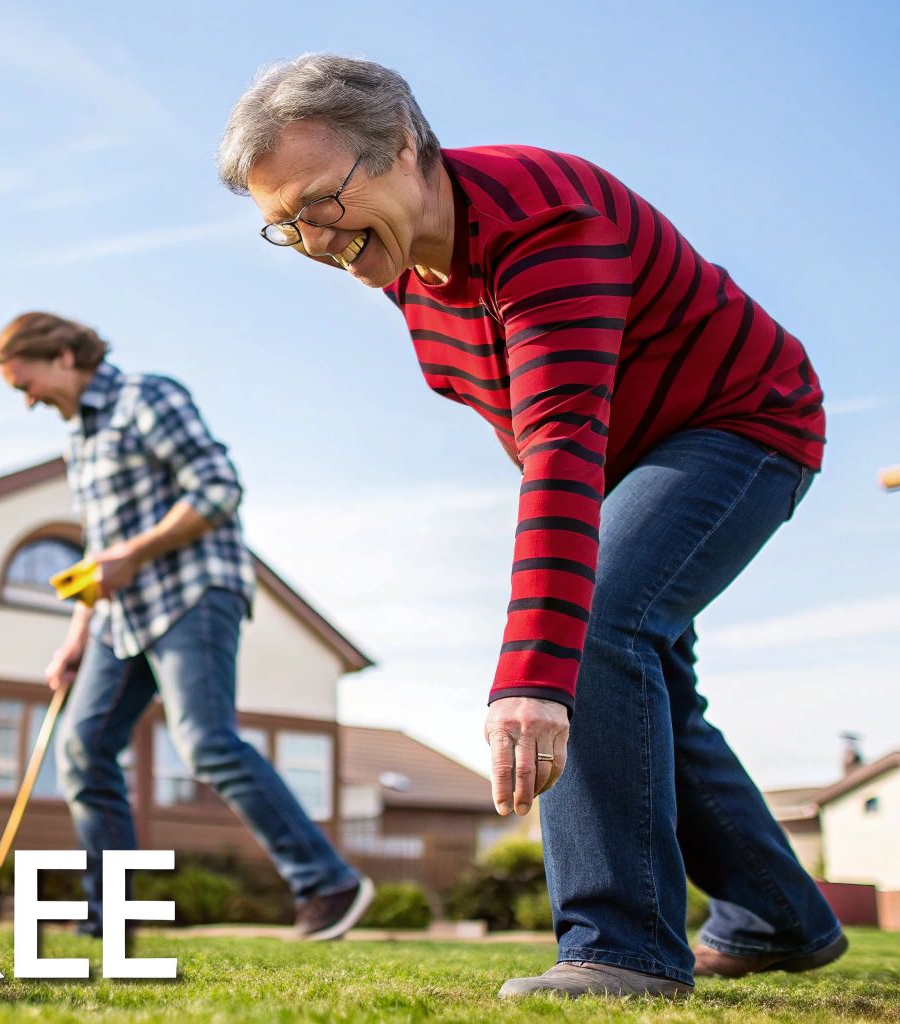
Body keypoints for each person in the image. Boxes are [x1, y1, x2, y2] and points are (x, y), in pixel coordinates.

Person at [217, 55, 844, 997]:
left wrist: (533, 672)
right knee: (634, 670)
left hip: (742, 422)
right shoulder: (407, 270)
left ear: (404, 148)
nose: (310, 239)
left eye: (318, 201)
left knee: (588, 636)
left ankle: (619, 948)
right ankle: (778, 918)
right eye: (283, 225)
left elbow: (560, 440)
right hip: (619, 457)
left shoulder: (545, 221)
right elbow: (529, 432)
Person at [0, 310, 373, 940]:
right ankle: (109, 921)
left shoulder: (147, 396)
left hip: (193, 593)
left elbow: (218, 488)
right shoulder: (78, 441)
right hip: (122, 617)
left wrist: (132, 556)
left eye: (24, 384)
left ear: (62, 356)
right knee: (83, 749)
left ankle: (327, 881)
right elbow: (101, 554)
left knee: (204, 741)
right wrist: (73, 641)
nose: (28, 401)